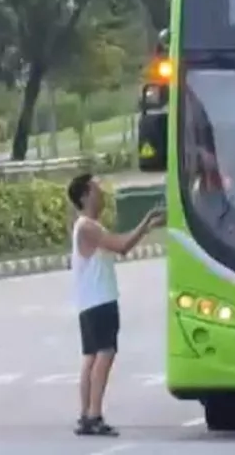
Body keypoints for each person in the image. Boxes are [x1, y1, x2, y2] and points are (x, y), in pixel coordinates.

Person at [66, 172, 166, 437]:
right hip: (100, 301)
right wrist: (146, 223)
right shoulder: (88, 226)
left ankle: (86, 415)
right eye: (97, 189)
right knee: (104, 355)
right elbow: (121, 246)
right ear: (85, 195)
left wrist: (147, 226)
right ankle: (94, 415)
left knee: (91, 358)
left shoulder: (87, 226)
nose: (103, 193)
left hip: (90, 301)